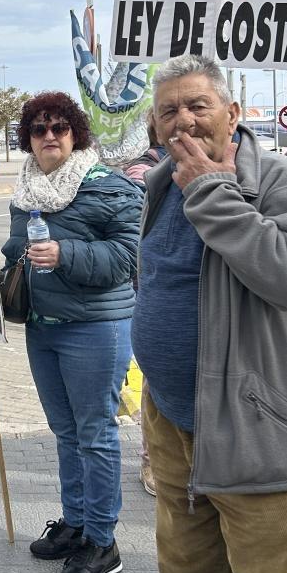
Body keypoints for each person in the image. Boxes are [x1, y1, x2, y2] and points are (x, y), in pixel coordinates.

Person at [134, 55, 287, 573]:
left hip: (255, 430)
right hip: (174, 425)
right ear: (154, 124)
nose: (183, 120)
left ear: (232, 112)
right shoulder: (159, 182)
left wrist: (211, 193)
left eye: (199, 105)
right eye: (169, 110)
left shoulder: (278, 178)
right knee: (185, 570)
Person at [2, 91, 140, 573]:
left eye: (59, 127)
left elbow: (128, 258)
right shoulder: (25, 191)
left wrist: (66, 254)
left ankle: (104, 542)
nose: (49, 136)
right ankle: (76, 523)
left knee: (96, 435)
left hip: (95, 329)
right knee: (66, 434)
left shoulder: (109, 186)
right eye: (38, 129)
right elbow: (16, 254)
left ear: (75, 133)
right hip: (44, 329)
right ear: (28, 140)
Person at [121, 113, 164, 499]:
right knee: (156, 383)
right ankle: (153, 460)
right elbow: (134, 231)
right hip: (155, 293)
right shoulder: (143, 171)